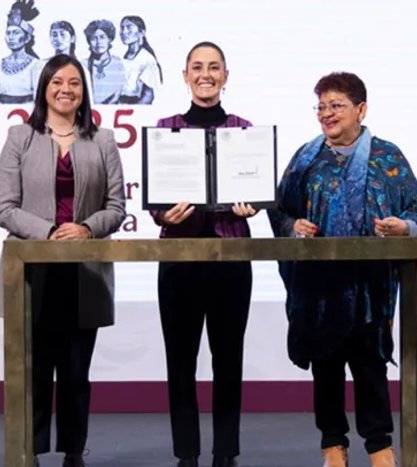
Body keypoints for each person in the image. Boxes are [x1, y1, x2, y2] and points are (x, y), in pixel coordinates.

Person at [268, 72, 417, 467]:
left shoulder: (387, 157)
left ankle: (380, 448)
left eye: (335, 105)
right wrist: (293, 227)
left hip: (369, 288)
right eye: (321, 106)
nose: (326, 114)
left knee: (370, 368)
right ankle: (333, 447)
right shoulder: (306, 159)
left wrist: (401, 227)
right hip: (318, 288)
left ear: (361, 109)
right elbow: (280, 208)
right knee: (326, 369)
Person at [0, 54, 126, 467]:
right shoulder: (20, 137)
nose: (66, 89)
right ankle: (27, 451)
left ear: (84, 92)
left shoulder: (102, 140)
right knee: (32, 370)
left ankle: (73, 452)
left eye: (75, 83)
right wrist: (47, 232)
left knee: (75, 372)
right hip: (31, 271)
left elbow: (116, 207)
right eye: (57, 82)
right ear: (44, 88)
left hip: (83, 271)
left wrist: (86, 227)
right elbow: (4, 208)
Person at [150, 42, 256, 467]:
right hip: (179, 260)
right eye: (198, 67)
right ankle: (187, 454)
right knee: (180, 361)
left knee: (229, 360)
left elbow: (256, 188)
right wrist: (165, 212)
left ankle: (226, 453)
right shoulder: (165, 128)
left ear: (226, 76)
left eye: (214, 67)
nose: (206, 74)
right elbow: (156, 198)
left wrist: (254, 203)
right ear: (185, 75)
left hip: (231, 260)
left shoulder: (244, 130)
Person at [0, 0, 43, 104]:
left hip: (26, 114)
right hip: (1, 114)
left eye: (16, 33)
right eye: (8, 33)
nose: (11, 38)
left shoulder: (36, 65)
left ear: (27, 38)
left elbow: (38, 99)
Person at [118, 15, 162, 104]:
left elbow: (148, 95)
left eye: (129, 28)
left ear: (141, 32)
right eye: (122, 28)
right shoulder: (124, 57)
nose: (124, 32)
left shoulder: (146, 59)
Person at [83, 19, 126, 105]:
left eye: (102, 37)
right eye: (94, 38)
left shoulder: (118, 63)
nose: (99, 42)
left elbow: (117, 93)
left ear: (109, 39)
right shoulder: (83, 65)